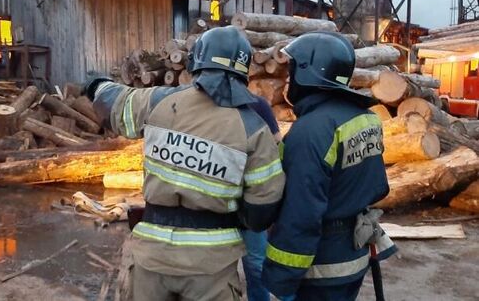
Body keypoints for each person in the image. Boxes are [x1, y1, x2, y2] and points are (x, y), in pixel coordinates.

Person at [85, 26, 285, 301]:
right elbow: (262, 211)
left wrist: (97, 84)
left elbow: (112, 103)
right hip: (211, 269)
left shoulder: (159, 101)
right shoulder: (253, 127)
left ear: (196, 63)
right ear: (243, 71)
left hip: (151, 261)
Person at [261, 32, 397, 301]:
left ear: (309, 72)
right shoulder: (366, 117)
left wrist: (281, 277)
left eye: (292, 69)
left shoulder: (310, 131)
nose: (288, 79)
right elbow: (378, 186)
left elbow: (301, 212)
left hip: (322, 266)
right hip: (354, 254)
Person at [242, 96, 281, 301]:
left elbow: (277, 145)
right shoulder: (206, 105)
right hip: (218, 201)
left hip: (251, 202)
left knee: (256, 265)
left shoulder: (257, 105)